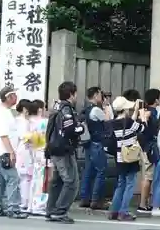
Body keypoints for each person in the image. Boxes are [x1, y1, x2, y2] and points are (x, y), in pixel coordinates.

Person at [45, 81, 84, 224]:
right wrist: (81, 128)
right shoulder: (66, 109)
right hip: (63, 150)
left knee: (58, 181)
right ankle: (60, 211)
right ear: (71, 94)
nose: (76, 97)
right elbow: (70, 130)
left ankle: (51, 210)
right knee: (71, 181)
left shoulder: (56, 107)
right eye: (75, 94)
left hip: (54, 148)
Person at [0, 86, 28, 219]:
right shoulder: (3, 113)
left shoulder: (5, 112)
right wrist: (11, 152)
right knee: (13, 178)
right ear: (8, 97)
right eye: (14, 95)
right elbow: (3, 135)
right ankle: (13, 208)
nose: (16, 98)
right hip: (4, 151)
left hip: (0, 151)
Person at [108, 96, 147, 221]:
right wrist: (143, 118)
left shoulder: (112, 123)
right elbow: (142, 129)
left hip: (120, 157)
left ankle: (113, 211)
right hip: (130, 158)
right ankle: (123, 212)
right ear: (125, 109)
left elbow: (129, 127)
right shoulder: (129, 122)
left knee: (121, 184)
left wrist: (135, 114)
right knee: (130, 184)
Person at [79, 86, 111, 210]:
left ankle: (84, 198)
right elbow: (108, 121)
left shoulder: (86, 110)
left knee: (88, 172)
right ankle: (96, 200)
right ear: (96, 95)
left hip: (87, 143)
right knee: (101, 171)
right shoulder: (96, 110)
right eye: (100, 95)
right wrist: (107, 107)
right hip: (97, 144)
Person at [138, 88, 160, 213]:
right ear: (156, 100)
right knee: (148, 176)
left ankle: (145, 203)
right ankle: (142, 204)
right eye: (159, 97)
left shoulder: (146, 111)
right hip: (149, 147)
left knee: (147, 175)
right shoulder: (152, 113)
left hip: (144, 146)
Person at [14, 99, 32, 211]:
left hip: (21, 149)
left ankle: (22, 201)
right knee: (24, 177)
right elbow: (24, 136)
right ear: (25, 109)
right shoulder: (23, 122)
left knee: (23, 177)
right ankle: (23, 202)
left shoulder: (19, 120)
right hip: (23, 149)